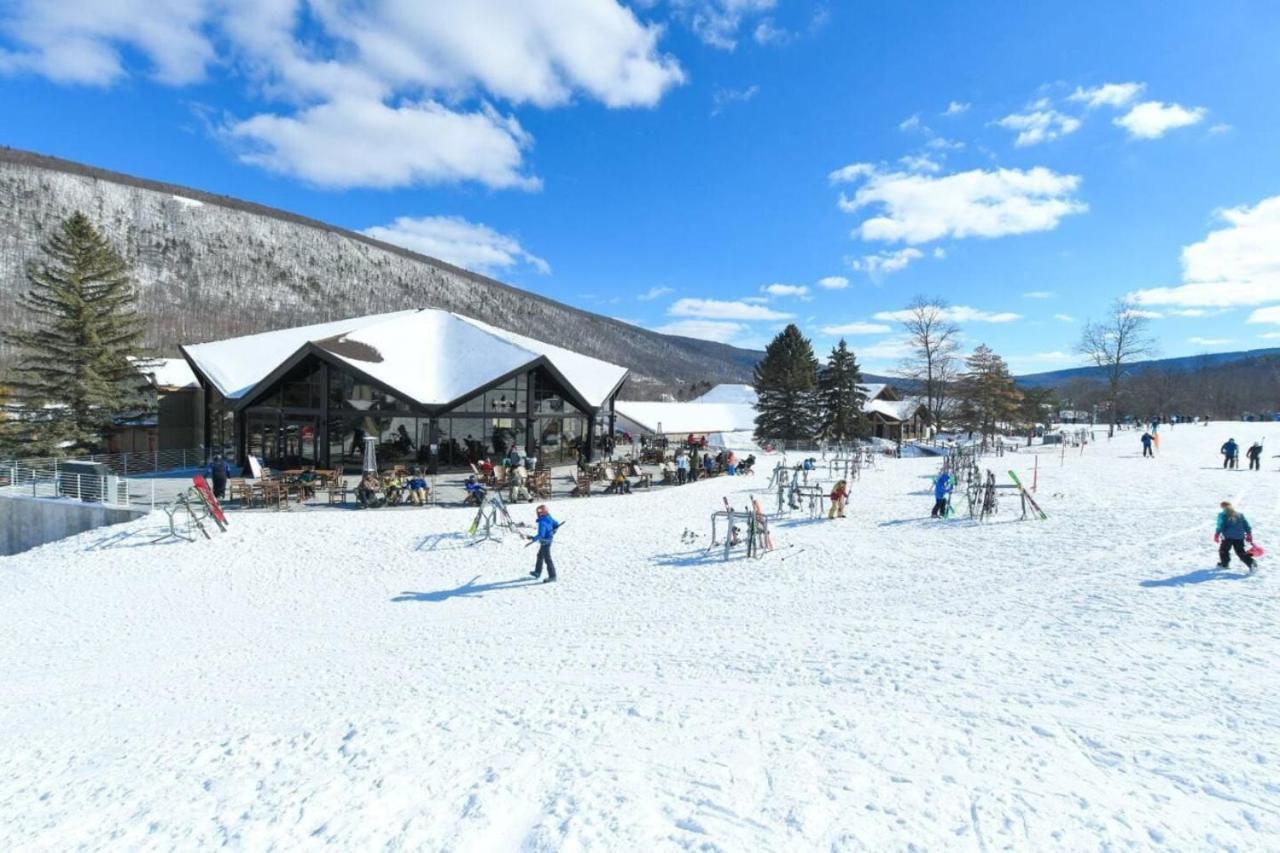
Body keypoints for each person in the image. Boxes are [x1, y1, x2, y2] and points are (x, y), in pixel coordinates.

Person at [1214, 500, 1257, 571]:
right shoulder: (1239, 514)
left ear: (1222, 507)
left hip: (1228, 537)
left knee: (1224, 550)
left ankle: (1224, 564)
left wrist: (1217, 534)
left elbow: (1220, 525)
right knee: (1240, 551)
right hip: (1239, 537)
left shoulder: (1223, 515)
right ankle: (1251, 562)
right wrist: (1249, 533)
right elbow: (1246, 525)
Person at [528, 504, 561, 583]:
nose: (538, 514)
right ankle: (537, 572)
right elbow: (556, 524)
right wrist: (554, 530)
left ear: (542, 513)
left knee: (547, 559)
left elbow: (541, 535)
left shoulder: (542, 522)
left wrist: (533, 538)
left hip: (545, 542)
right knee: (540, 555)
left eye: (539, 512)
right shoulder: (548, 517)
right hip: (548, 540)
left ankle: (552, 576)